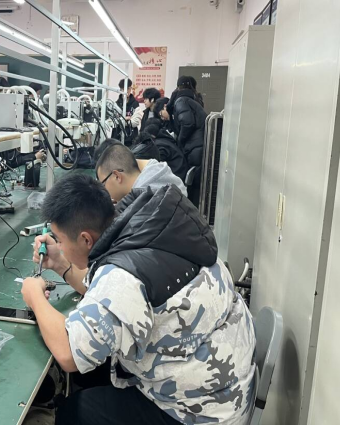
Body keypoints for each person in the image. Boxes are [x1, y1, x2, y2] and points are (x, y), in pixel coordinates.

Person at [22, 173, 257, 425]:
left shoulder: (122, 278)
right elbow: (107, 294)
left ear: (86, 239)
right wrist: (61, 264)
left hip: (201, 413)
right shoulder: (147, 229)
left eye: (60, 240)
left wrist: (35, 296)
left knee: (75, 412)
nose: (58, 246)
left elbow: (69, 355)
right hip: (225, 385)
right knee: (95, 372)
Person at [95, 141, 186, 203]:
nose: (105, 190)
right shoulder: (157, 171)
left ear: (117, 176)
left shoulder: (144, 201)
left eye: (103, 184)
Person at [169, 76, 208, 205]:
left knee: (192, 184)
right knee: (196, 184)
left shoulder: (181, 100)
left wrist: (180, 140)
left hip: (193, 147)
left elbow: (187, 123)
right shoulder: (194, 100)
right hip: (199, 146)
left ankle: (190, 212)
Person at [143, 118, 189, 183]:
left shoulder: (159, 145)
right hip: (179, 172)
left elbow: (156, 165)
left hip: (176, 178)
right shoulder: (165, 139)